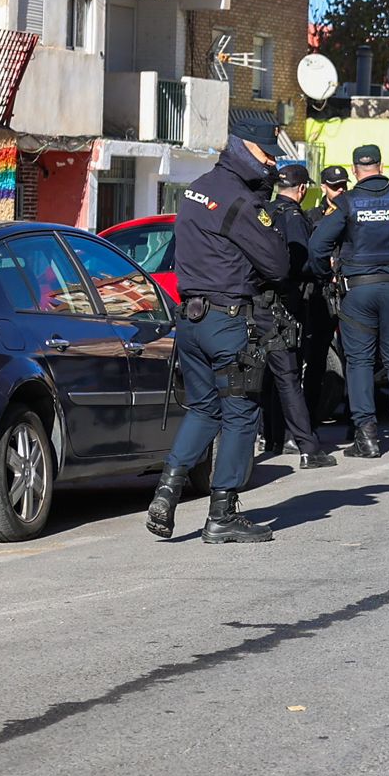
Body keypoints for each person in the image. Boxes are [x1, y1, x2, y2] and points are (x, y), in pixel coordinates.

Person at [146, 136, 292, 545]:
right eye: (268, 157)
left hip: (191, 320)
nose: (273, 165)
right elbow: (278, 264)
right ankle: (222, 513)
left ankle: (166, 492)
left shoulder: (199, 186)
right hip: (227, 321)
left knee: (203, 410)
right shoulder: (240, 201)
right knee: (241, 412)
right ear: (249, 152)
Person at [307, 144, 389, 457]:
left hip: (358, 291)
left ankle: (368, 439)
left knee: (360, 362)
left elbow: (317, 245)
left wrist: (326, 276)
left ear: (353, 170)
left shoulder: (347, 202)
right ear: (381, 165)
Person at [263, 163, 337, 469]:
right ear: (303, 189)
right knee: (289, 373)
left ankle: (272, 436)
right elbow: (302, 262)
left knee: (268, 371)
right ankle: (304, 444)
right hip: (289, 301)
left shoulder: (264, 212)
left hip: (262, 300)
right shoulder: (294, 217)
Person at [301, 164, 349, 426]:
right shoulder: (312, 216)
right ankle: (310, 417)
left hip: (349, 291)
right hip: (322, 292)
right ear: (324, 188)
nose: (341, 191)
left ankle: (355, 420)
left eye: (344, 186)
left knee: (355, 357)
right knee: (316, 357)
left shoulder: (352, 212)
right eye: (335, 187)